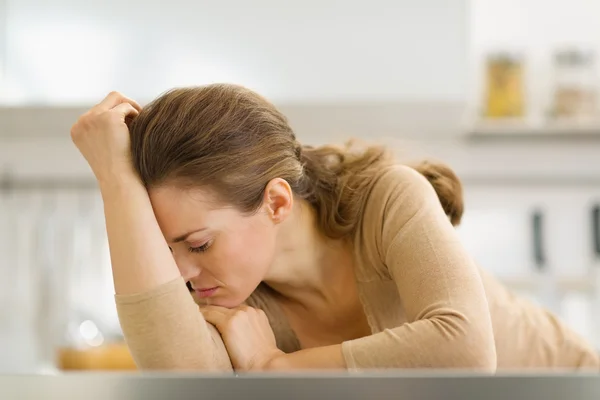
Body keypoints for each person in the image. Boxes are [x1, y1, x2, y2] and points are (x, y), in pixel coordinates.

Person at [71, 85, 599, 373]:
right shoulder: (234, 304)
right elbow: (183, 379)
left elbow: (464, 350)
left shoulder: (386, 197)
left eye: (200, 243)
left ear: (276, 202)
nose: (183, 273)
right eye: (167, 252)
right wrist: (115, 179)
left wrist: (278, 368)